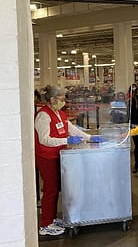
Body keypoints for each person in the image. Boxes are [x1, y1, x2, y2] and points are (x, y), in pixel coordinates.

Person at [35, 85, 106, 236]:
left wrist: (90, 137)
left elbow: (71, 129)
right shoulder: (43, 116)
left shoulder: (59, 113)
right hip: (46, 157)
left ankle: (52, 219)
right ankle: (45, 224)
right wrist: (66, 140)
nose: (64, 102)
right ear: (52, 99)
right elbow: (44, 139)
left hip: (58, 155)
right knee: (50, 190)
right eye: (61, 99)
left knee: (57, 188)